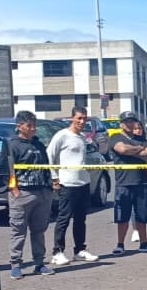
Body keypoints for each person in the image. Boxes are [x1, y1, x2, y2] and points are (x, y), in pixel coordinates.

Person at [6, 111, 55, 278]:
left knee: (39, 230)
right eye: (29, 125)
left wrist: (50, 186)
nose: (33, 129)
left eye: (34, 125)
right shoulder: (13, 145)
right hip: (23, 193)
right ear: (19, 126)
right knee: (18, 230)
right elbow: (9, 170)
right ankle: (15, 264)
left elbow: (46, 166)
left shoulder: (39, 145)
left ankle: (39, 263)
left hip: (42, 192)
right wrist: (15, 191)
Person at [49, 107, 99, 266]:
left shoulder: (83, 137)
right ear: (72, 118)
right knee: (64, 218)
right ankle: (57, 251)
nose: (82, 122)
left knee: (80, 219)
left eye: (84, 118)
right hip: (67, 183)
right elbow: (50, 155)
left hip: (83, 182)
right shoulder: (62, 135)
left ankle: (79, 250)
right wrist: (54, 178)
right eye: (79, 118)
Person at [110, 111, 147, 254]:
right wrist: (138, 150)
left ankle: (144, 243)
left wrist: (135, 150)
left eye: (132, 121)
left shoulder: (141, 138)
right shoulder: (115, 137)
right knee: (122, 216)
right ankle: (120, 244)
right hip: (123, 182)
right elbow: (122, 149)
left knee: (142, 214)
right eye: (127, 121)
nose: (130, 124)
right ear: (121, 124)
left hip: (141, 182)